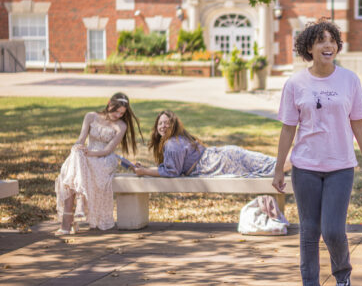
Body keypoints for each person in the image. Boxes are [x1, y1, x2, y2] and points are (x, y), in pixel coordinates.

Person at [272, 19, 362, 286]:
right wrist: (280, 167)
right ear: (309, 47)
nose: (328, 45)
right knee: (309, 232)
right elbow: (287, 129)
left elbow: (358, 122)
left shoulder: (349, 80)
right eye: (321, 40)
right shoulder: (295, 84)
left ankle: (342, 272)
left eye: (332, 40)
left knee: (332, 230)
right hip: (304, 166)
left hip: (341, 166)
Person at [55, 92, 142, 234]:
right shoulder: (91, 116)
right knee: (74, 161)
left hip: (104, 159)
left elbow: (108, 149)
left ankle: (67, 221)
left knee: (76, 167)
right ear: (109, 103)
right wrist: (79, 147)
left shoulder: (121, 126)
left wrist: (91, 154)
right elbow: (81, 139)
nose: (118, 115)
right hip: (86, 154)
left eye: (121, 113)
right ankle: (77, 206)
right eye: (116, 111)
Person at [133, 110, 285, 177]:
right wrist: (145, 169)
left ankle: (297, 162)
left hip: (221, 161)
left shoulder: (173, 143)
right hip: (222, 157)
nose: (163, 126)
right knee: (269, 166)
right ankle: (296, 162)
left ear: (174, 126)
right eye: (160, 123)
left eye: (167, 123)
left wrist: (145, 172)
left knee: (271, 167)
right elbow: (170, 168)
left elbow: (171, 172)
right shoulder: (176, 140)